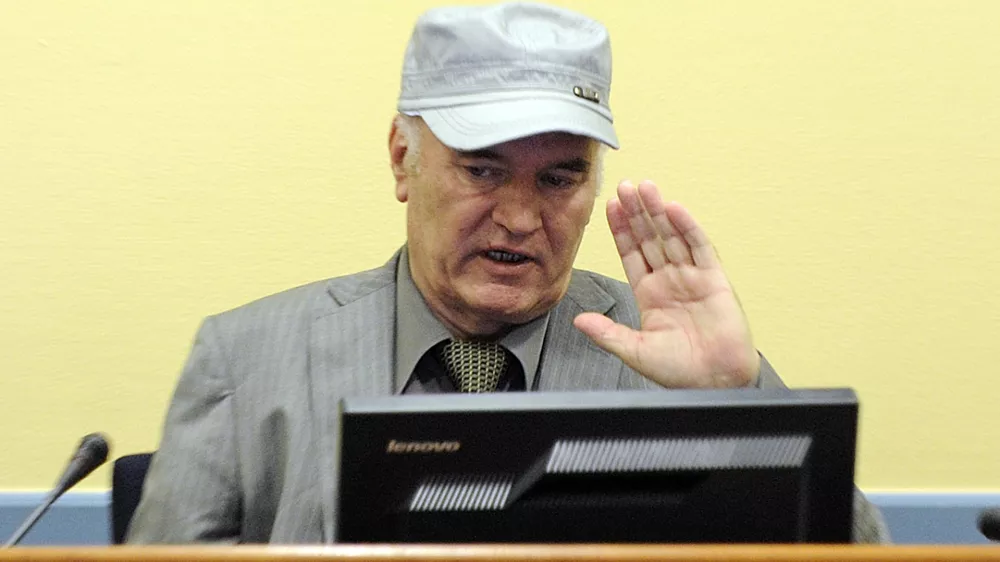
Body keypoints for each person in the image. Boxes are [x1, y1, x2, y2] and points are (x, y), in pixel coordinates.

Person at [128, 1, 889, 544]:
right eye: (483, 171)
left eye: (559, 178)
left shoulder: (672, 358)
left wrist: (736, 401)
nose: (521, 218)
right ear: (403, 158)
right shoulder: (246, 359)